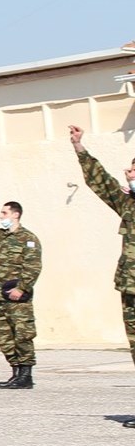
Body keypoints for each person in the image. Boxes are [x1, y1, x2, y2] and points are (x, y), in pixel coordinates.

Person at [67, 125, 135, 426]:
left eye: (132, 170)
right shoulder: (129, 204)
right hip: (130, 288)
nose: (127, 173)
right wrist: (79, 147)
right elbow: (101, 182)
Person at [0, 201, 41, 390]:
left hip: (18, 298)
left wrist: (22, 288)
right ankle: (15, 373)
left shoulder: (28, 239)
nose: (1, 216)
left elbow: (33, 267)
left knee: (22, 335)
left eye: (4, 213)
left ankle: (26, 375)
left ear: (15, 214)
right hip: (1, 295)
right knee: (5, 336)